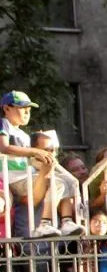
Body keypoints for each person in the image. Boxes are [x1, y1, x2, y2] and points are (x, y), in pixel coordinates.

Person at [0, 93, 82, 237]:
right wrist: (36, 152)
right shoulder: (3, 124)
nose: (27, 112)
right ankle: (44, 224)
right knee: (56, 182)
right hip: (12, 176)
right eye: (22, 108)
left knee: (66, 181)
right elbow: (4, 147)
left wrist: (43, 159)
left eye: (29, 109)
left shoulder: (24, 135)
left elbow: (29, 158)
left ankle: (67, 221)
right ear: (6, 108)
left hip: (25, 175)